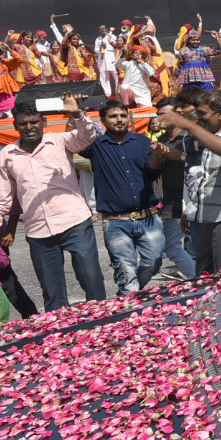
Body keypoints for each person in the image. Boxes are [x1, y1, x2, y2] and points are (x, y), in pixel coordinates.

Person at [0, 96, 107, 312]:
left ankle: (104, 323)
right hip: (38, 233)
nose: (29, 127)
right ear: (15, 125)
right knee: (53, 296)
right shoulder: (7, 154)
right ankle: (61, 338)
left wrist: (77, 114)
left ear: (44, 121)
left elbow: (88, 136)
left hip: (75, 223)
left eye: (34, 122)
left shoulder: (61, 141)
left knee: (92, 281)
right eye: (23, 123)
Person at [156, 89, 221, 273]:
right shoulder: (211, 136)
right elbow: (201, 178)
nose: (199, 118)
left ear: (220, 114)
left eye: (203, 114)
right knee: (205, 278)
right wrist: (192, 211)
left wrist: (189, 124)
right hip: (205, 218)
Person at [80, 100, 164, 295]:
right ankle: (130, 305)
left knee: (154, 262)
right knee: (126, 273)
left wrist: (157, 155)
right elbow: (74, 141)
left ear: (128, 118)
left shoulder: (141, 141)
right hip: (115, 222)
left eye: (122, 116)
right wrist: (76, 116)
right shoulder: (96, 146)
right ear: (102, 121)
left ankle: (129, 294)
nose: (119, 120)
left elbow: (151, 172)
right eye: (113, 116)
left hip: (148, 218)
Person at [147, 96, 197, 280]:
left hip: (193, 200)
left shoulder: (191, 136)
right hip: (170, 200)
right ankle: (198, 278)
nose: (158, 118)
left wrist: (175, 154)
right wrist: (156, 153)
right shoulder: (162, 138)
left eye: (163, 114)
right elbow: (154, 168)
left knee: (199, 246)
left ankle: (204, 279)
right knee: (171, 247)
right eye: (157, 114)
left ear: (178, 113)